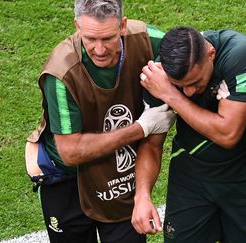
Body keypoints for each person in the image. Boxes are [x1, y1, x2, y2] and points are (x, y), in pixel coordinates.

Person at [25, 0, 175, 242]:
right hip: (68, 179)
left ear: (123, 25)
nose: (100, 49)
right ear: (76, 26)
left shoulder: (149, 40)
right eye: (90, 39)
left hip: (118, 173)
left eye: (108, 39)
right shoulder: (61, 72)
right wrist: (142, 128)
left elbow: (198, 49)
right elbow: (70, 152)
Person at [131, 27, 246, 242]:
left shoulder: (239, 55)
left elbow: (228, 135)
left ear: (211, 54)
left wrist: (171, 95)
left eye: (196, 82)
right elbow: (151, 144)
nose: (189, 91)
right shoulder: (158, 75)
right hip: (191, 179)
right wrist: (142, 195)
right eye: (181, 86)